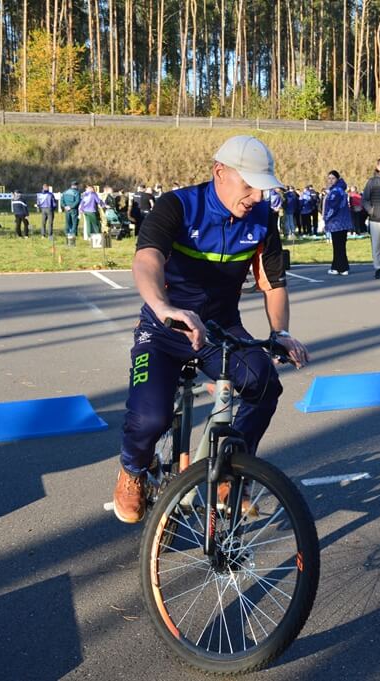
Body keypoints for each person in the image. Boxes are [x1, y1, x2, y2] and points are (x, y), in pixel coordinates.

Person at [112, 135, 310, 523]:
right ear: (220, 172)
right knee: (149, 418)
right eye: (248, 185)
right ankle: (133, 469)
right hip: (165, 328)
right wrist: (164, 307)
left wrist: (281, 332)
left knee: (264, 381)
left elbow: (273, 283)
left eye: (262, 187)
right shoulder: (177, 206)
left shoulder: (263, 219)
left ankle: (231, 470)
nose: (256, 196)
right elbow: (147, 259)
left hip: (219, 330)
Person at [323, 170, 353, 275]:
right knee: (340, 246)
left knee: (338, 246)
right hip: (343, 222)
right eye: (329, 178)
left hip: (336, 222)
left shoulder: (336, 192)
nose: (330, 180)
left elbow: (332, 208)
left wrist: (326, 218)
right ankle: (337, 266)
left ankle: (342, 267)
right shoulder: (341, 190)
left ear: (337, 179)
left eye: (333, 178)